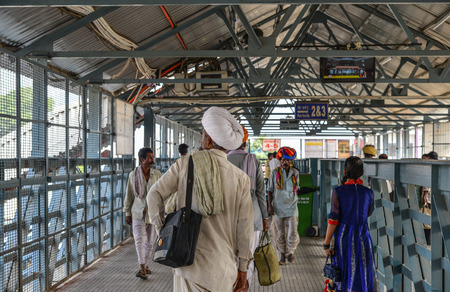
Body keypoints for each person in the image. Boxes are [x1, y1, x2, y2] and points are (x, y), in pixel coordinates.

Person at [147, 106, 254, 292]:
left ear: (209, 140)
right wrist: (243, 270)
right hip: (222, 270)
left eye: (203, 135)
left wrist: (162, 230)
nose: (201, 139)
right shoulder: (241, 178)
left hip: (188, 266)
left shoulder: (184, 165)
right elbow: (244, 228)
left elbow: (153, 194)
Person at [324, 156, 378, 292]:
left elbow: (333, 220)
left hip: (344, 238)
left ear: (344, 172)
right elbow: (368, 213)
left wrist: (326, 243)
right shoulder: (369, 193)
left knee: (344, 270)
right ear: (362, 173)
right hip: (363, 237)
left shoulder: (338, 192)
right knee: (363, 271)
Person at [227, 125, 269, 288]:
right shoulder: (254, 160)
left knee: (230, 257)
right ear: (244, 143)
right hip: (253, 217)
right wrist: (265, 218)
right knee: (248, 257)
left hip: (228, 218)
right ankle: (245, 286)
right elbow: (261, 193)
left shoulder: (224, 160)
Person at [123, 147, 162, 280]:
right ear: (142, 159)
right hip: (137, 213)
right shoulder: (133, 175)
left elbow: (162, 193)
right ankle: (142, 267)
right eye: (149, 158)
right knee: (140, 240)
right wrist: (127, 212)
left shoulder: (156, 174)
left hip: (152, 213)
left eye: (152, 157)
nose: (152, 160)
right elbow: (129, 195)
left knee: (150, 243)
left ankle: (145, 265)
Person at [267, 146, 300, 265]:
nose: (285, 162)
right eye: (283, 160)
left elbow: (297, 189)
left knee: (293, 231)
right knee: (280, 232)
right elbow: (270, 190)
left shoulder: (295, 173)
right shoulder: (275, 172)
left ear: (291, 161)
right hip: (278, 207)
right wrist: (270, 206)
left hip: (292, 207)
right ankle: (281, 255)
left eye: (288, 160)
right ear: (280, 160)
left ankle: (290, 252)